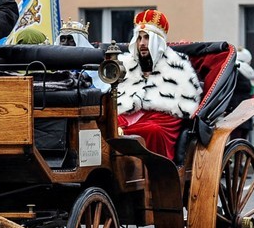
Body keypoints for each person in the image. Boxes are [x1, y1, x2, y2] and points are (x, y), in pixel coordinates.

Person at [116, 9, 202, 160]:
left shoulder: (177, 67)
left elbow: (183, 107)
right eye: (139, 38)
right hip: (131, 115)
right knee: (107, 124)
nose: (142, 43)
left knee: (152, 130)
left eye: (147, 38)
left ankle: (152, 175)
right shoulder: (127, 66)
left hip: (162, 120)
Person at [55, 19, 110, 93]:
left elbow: (89, 81)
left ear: (80, 42)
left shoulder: (92, 59)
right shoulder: (54, 61)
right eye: (62, 39)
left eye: (70, 39)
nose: (65, 43)